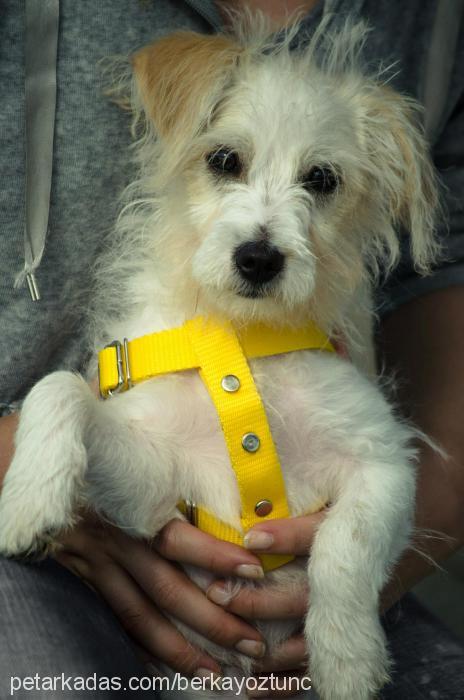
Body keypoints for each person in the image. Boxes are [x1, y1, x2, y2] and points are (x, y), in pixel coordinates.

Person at [1, 0, 463, 697]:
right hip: (85, 599)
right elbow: (145, 486)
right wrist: (52, 419)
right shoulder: (153, 332)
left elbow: (383, 470)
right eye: (226, 162)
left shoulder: (324, 360)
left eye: (320, 182)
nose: (264, 237)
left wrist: (342, 604)